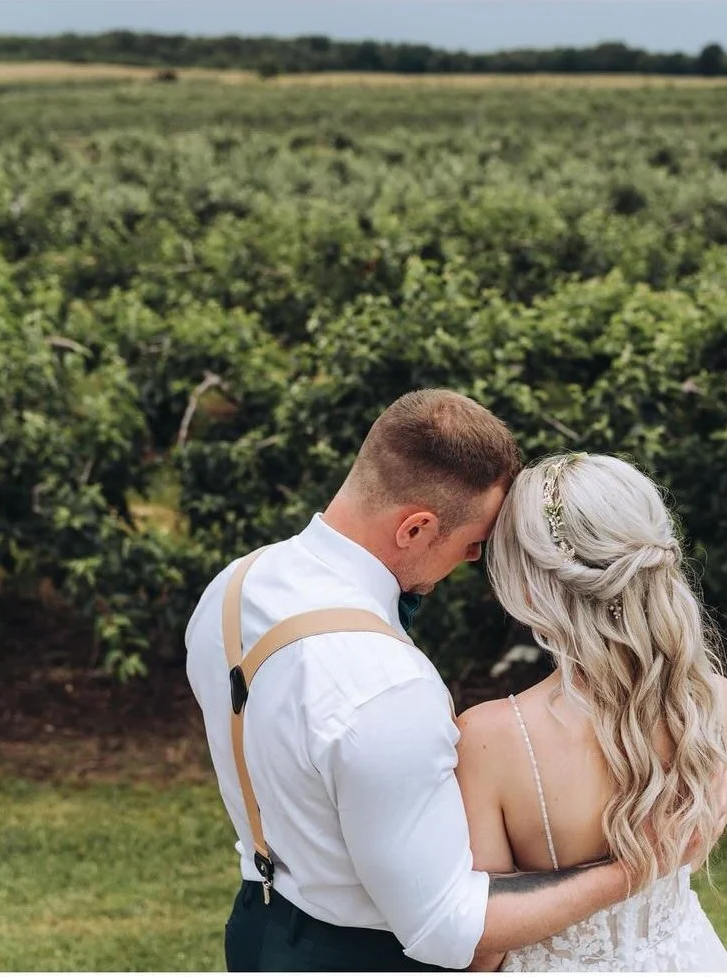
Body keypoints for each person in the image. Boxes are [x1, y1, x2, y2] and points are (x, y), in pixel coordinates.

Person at [185, 391, 647, 973]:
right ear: (416, 528)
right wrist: (632, 868)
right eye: (471, 544)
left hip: (255, 929)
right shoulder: (389, 687)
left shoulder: (232, 587)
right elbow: (448, 930)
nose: (474, 559)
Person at [456, 452, 727, 972]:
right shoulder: (713, 702)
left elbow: (484, 945)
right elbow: (693, 852)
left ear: (529, 586)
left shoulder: (489, 738)